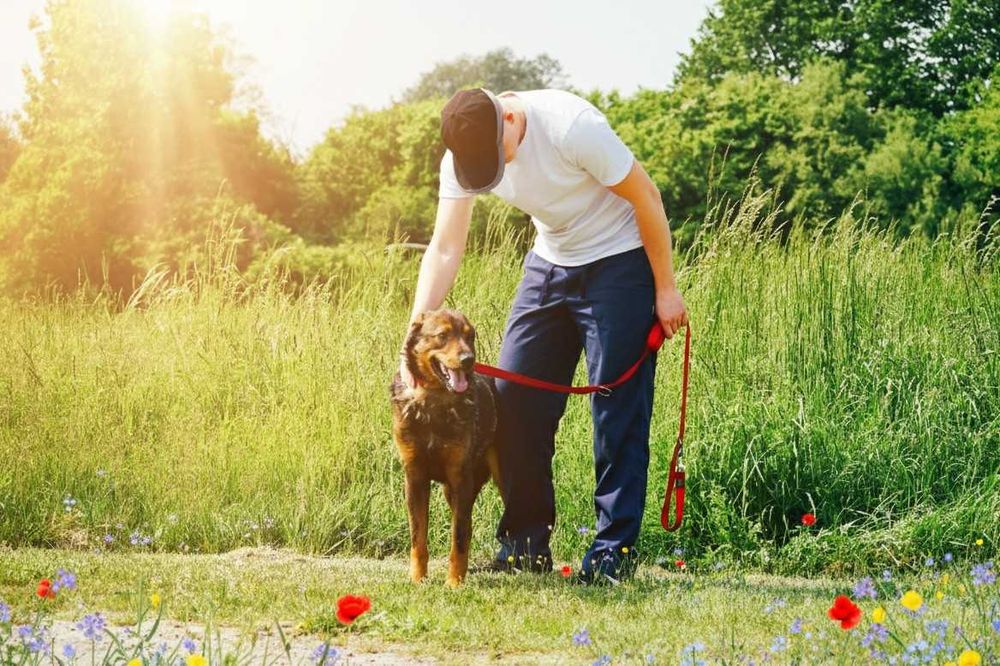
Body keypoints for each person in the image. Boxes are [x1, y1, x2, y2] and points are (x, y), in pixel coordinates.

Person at [398, 87, 688, 583]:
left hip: (620, 262)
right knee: (511, 399)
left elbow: (647, 197)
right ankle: (523, 545)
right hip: (551, 262)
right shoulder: (464, 154)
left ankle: (611, 554)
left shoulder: (572, 126)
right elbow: (445, 247)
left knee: (616, 405)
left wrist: (665, 288)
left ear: (509, 117)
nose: (498, 170)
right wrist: (417, 331)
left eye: (499, 157)